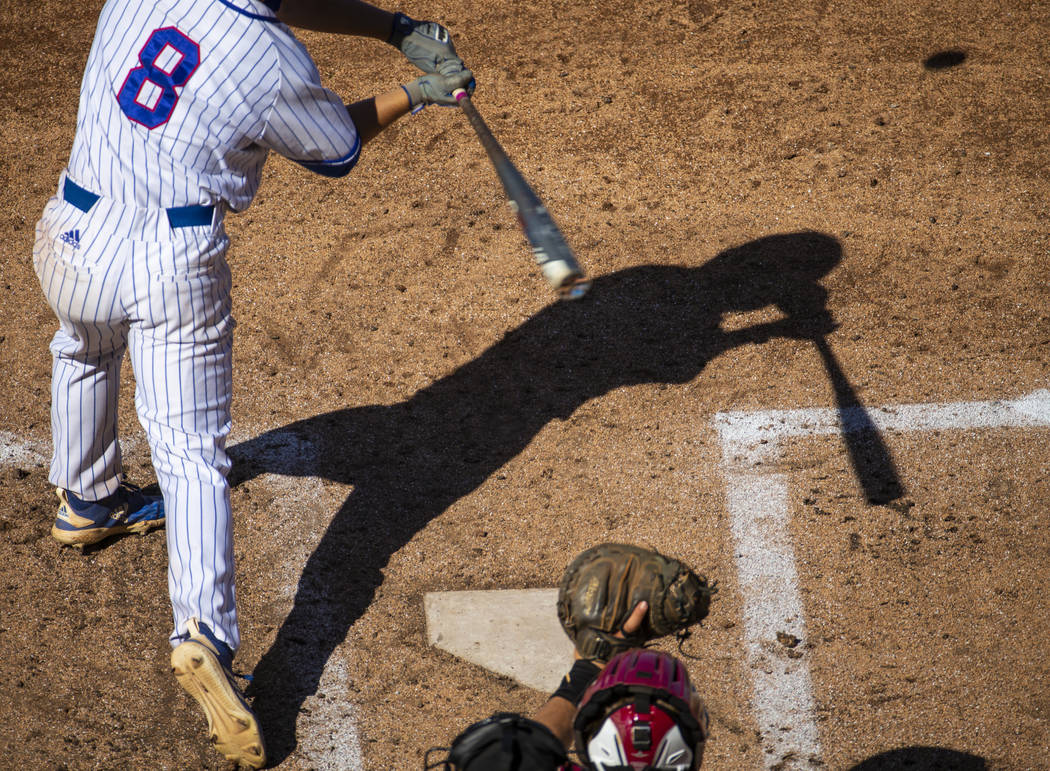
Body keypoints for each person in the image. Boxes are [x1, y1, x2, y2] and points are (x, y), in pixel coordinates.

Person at [31, 0, 473, 766]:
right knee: (191, 452)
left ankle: (87, 497)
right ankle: (203, 632)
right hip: (166, 259)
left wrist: (391, 27)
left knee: (84, 345)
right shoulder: (269, 60)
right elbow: (334, 149)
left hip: (73, 228)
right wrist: (418, 91)